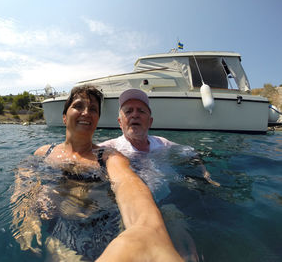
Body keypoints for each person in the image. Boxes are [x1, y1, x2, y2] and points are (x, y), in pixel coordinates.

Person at [11, 85, 183, 261]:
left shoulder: (109, 157)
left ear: (97, 120)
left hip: (104, 230)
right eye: (78, 106)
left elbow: (127, 183)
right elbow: (24, 175)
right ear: (64, 117)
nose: (86, 112)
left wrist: (146, 227)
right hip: (60, 231)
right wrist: (25, 214)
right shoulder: (44, 152)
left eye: (93, 109)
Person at [99, 88, 220, 187]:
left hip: (170, 197)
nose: (135, 115)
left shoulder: (162, 143)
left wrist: (204, 173)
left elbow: (192, 152)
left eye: (141, 111)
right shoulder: (109, 148)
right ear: (120, 122)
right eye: (128, 111)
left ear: (150, 122)